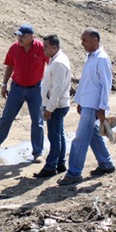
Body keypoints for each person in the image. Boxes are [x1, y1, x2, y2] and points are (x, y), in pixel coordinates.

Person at [58, 28, 115, 185]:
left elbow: (106, 85)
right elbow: (85, 82)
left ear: (95, 40)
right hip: (87, 104)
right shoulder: (91, 57)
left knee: (80, 139)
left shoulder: (102, 59)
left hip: (94, 106)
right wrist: (79, 101)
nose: (82, 43)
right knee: (93, 136)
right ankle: (106, 164)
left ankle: (74, 172)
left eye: (85, 40)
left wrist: (102, 107)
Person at [0, 24, 49, 163]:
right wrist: (4, 84)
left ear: (32, 37)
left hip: (36, 90)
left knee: (37, 121)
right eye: (18, 35)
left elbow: (50, 65)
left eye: (23, 36)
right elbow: (10, 66)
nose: (20, 38)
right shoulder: (14, 48)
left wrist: (49, 87)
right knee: (7, 116)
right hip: (17, 88)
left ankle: (37, 152)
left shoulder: (41, 48)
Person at [33, 34, 71, 178]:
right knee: (59, 135)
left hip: (56, 105)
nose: (44, 50)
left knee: (54, 137)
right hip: (57, 104)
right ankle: (60, 163)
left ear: (54, 47)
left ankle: (50, 166)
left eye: (46, 47)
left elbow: (57, 89)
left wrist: (49, 108)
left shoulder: (58, 63)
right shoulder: (57, 60)